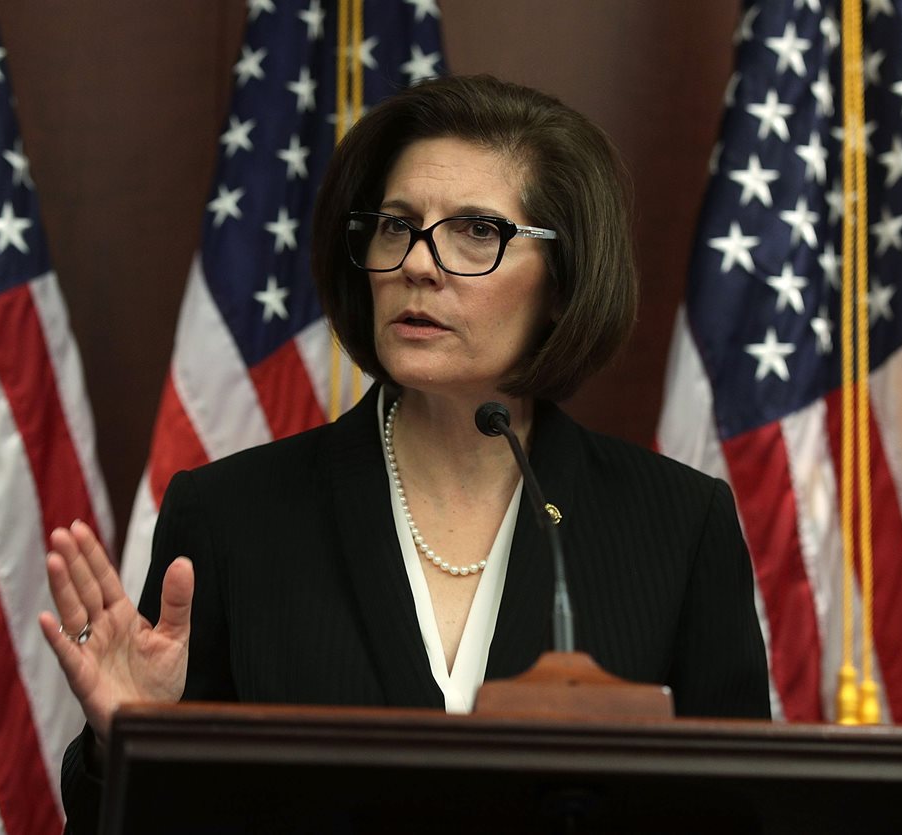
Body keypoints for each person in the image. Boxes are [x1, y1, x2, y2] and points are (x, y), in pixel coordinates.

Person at [43, 74, 771, 830]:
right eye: (396, 225)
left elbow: (739, 814)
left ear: (563, 280)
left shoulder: (677, 527)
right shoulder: (231, 518)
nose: (418, 263)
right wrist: (124, 744)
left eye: (477, 231)